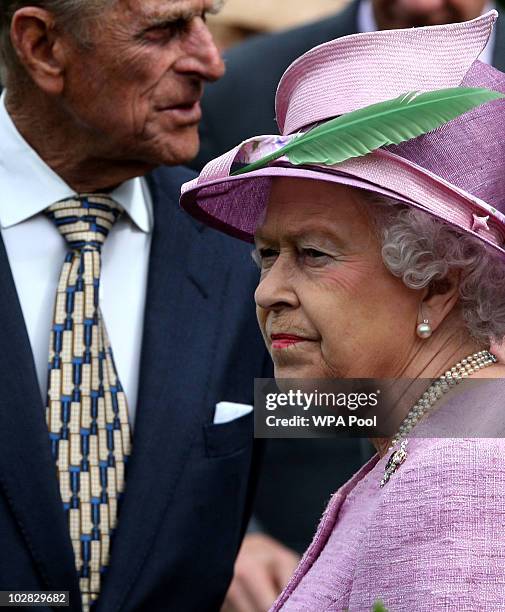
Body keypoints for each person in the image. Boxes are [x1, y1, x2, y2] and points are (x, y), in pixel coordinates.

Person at [181, 11, 505, 609]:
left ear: (436, 281)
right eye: (267, 254)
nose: (267, 290)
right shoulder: (420, 422)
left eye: (312, 253)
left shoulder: (460, 477)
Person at [0, 1, 270, 611]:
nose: (211, 61)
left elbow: (290, 413)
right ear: (43, 47)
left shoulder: (242, 247)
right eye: (165, 30)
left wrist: (453, 399)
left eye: (206, 19)